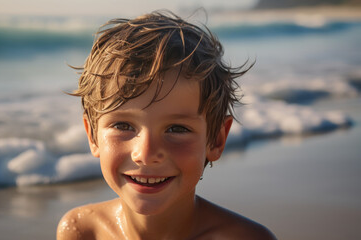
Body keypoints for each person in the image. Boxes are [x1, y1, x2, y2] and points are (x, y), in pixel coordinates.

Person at [57, 10, 276, 240]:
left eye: (177, 129)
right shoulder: (82, 231)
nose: (146, 154)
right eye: (122, 125)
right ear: (92, 136)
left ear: (217, 139)